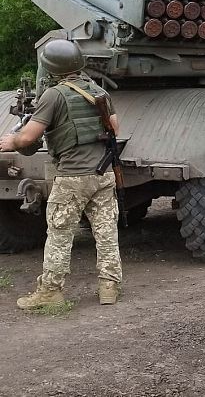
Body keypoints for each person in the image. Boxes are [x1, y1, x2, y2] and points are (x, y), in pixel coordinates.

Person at [0, 39, 123, 309]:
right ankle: (109, 288)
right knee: (105, 232)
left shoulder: (54, 95)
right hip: (102, 174)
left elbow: (29, 137)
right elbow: (114, 128)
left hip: (72, 178)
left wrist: (12, 142)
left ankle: (51, 291)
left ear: (51, 68)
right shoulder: (99, 91)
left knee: (59, 233)